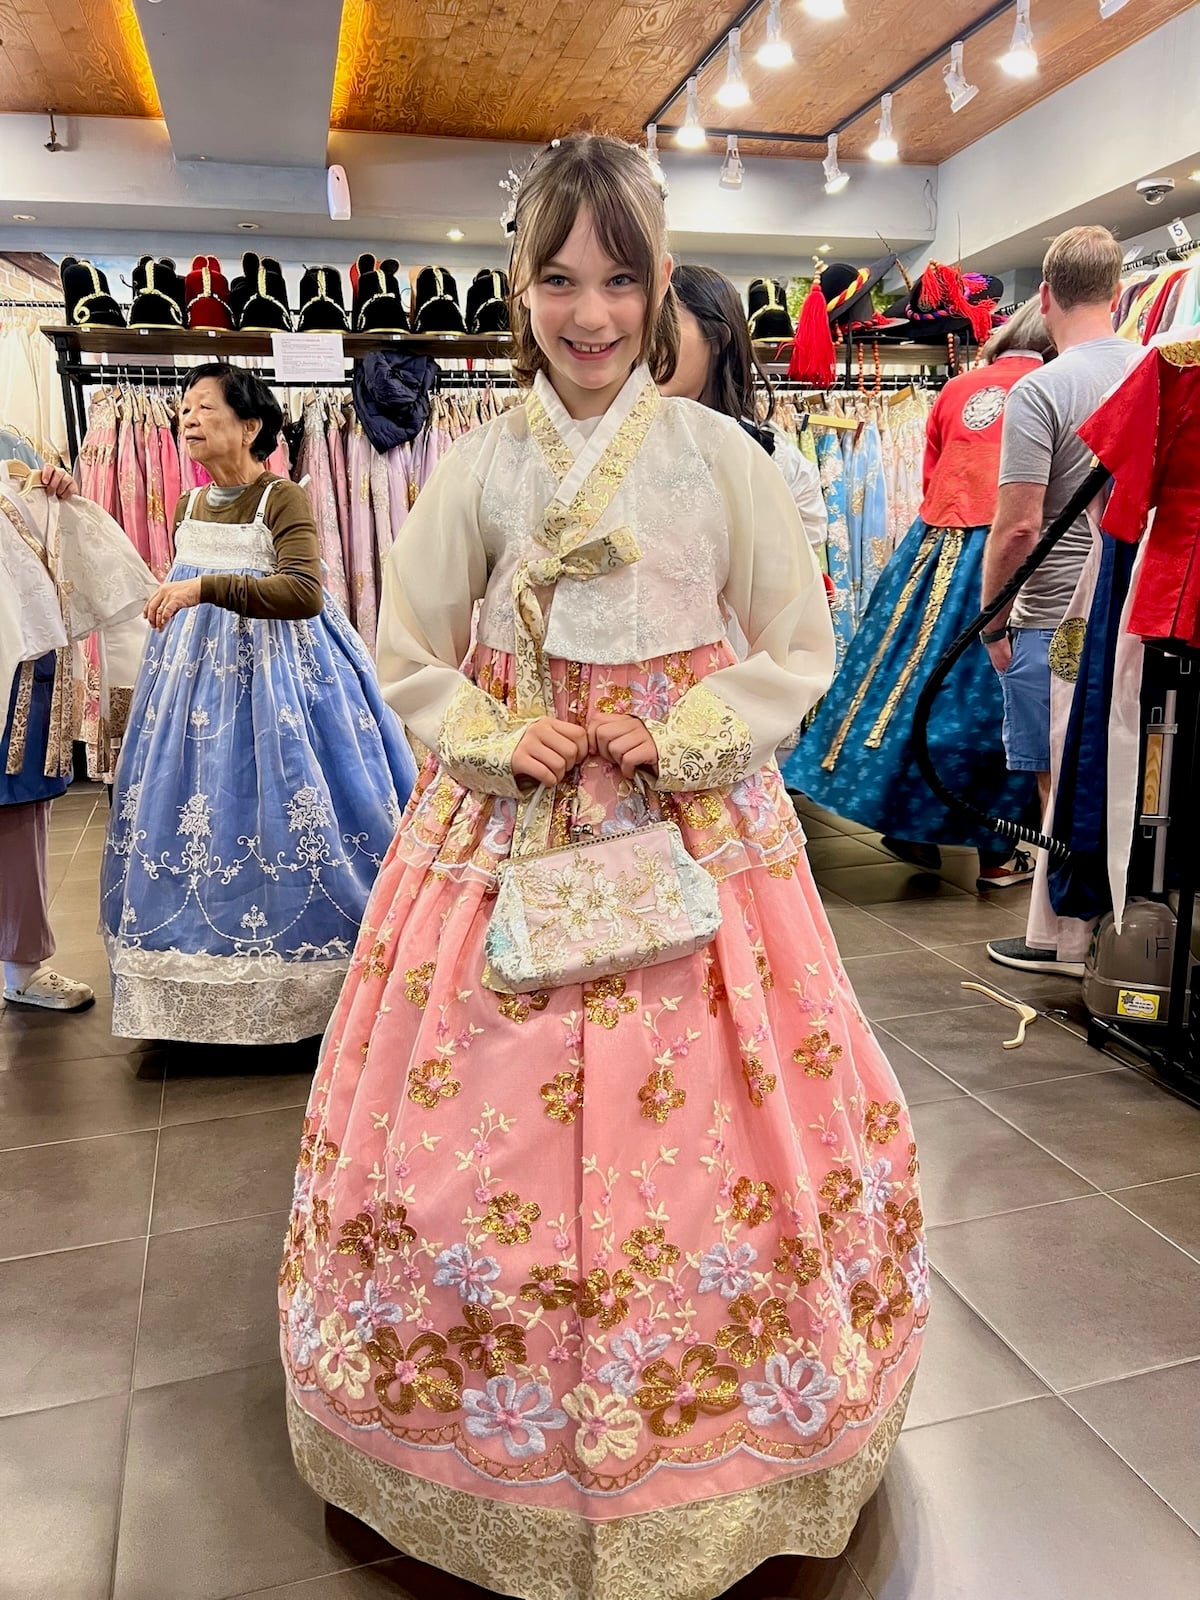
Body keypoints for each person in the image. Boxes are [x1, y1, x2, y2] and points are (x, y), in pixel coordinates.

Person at [280, 134, 925, 1600]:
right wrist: (501, 735)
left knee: (729, 1136)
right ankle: (473, 1438)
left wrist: (683, 731)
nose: (588, 315)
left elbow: (796, 649)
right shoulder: (480, 460)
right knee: (468, 1141)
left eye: (618, 280)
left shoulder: (718, 458)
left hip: (697, 842)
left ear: (656, 287)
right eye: (558, 280)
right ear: (520, 288)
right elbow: (408, 647)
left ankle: (720, 1444)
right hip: (508, 832)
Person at [100, 363, 416, 1045]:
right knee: (202, 813)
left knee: (291, 805)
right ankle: (201, 977)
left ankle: (317, 977)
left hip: (288, 689)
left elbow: (301, 593)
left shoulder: (281, 498)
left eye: (206, 407)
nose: (188, 417)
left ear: (250, 426)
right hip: (195, 695)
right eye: (184, 407)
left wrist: (205, 588)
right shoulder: (188, 505)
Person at [783, 298, 1053, 887]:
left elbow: (932, 475)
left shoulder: (957, 389)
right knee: (994, 698)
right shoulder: (1050, 385)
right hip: (1007, 550)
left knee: (898, 682)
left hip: (931, 548)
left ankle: (909, 824)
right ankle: (999, 853)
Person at [981, 227, 1137, 976]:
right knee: (1130, 776)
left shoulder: (1041, 389)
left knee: (1057, 778)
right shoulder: (1160, 371)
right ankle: (1122, 935)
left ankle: (1066, 939)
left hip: (1055, 612)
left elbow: (1017, 525)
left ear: (1044, 299)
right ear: (1119, 293)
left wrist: (992, 618)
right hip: (1139, 610)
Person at [1, 461, 150, 1010]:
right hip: (20, 663)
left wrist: (49, 480)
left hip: (23, 668)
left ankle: (22, 965)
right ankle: (20, 966)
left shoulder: (19, 463)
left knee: (18, 815)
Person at [662, 262, 828, 556]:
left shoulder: (770, 456)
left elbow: (802, 550)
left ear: (717, 338)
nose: (651, 344)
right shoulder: (622, 434)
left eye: (667, 328)